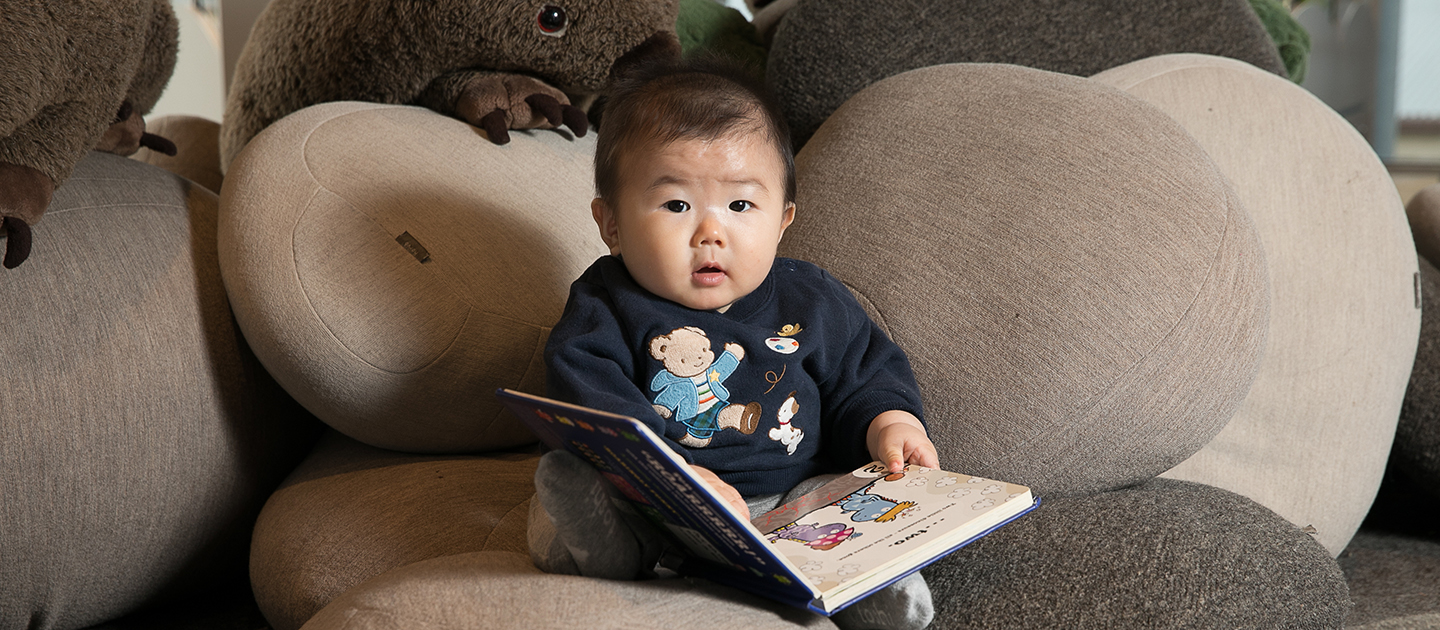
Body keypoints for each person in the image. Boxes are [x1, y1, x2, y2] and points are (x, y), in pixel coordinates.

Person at [529, 57, 937, 630]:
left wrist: (891, 425)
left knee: (853, 506)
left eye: (740, 205)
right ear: (611, 224)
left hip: (793, 497)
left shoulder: (811, 299)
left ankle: (875, 587)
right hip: (661, 500)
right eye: (676, 205)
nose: (710, 232)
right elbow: (588, 392)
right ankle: (612, 550)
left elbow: (865, 376)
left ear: (783, 220)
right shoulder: (604, 303)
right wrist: (670, 476)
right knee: (568, 486)